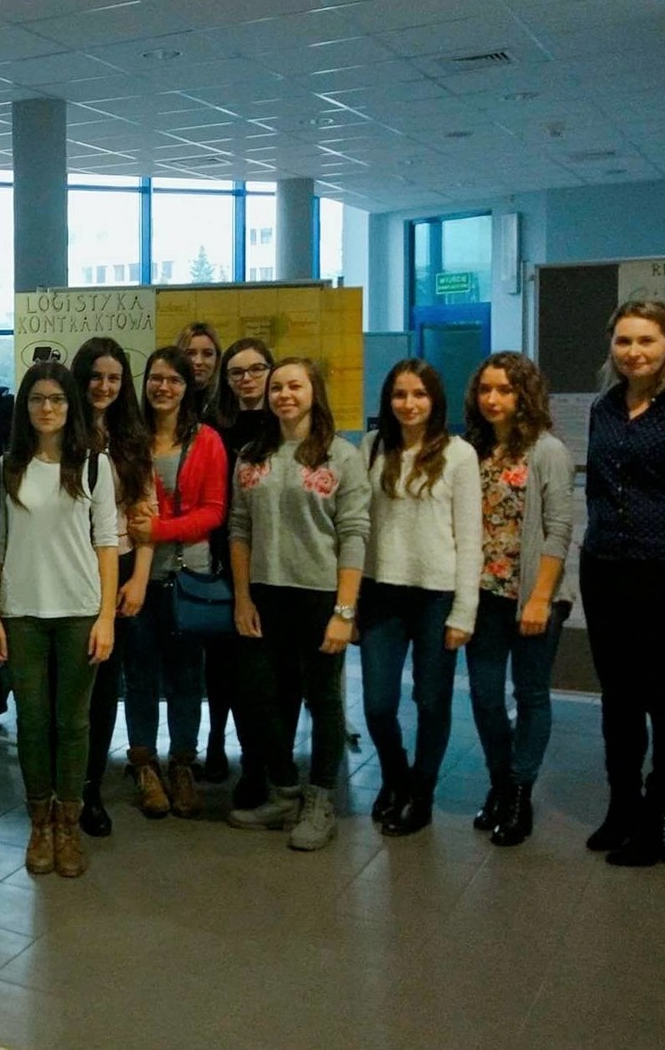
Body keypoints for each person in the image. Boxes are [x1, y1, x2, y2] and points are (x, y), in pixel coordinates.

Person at [583, 300, 665, 867]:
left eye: (646, 340)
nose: (633, 352)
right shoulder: (606, 407)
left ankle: (662, 818)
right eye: (624, 341)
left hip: (663, 577)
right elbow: (598, 490)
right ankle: (623, 807)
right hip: (605, 569)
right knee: (619, 699)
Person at [227, 358, 369, 852]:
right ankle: (284, 790)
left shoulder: (340, 455)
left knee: (323, 699)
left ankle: (320, 799)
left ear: (314, 392)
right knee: (263, 697)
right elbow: (239, 528)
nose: (284, 395)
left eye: (295, 386)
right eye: (277, 388)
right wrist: (243, 598)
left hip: (320, 595)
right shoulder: (252, 455)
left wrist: (345, 612)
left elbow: (354, 533)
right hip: (264, 594)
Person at [0, 362, 118, 878]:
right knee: (32, 722)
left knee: (73, 723)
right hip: (22, 613)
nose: (47, 408)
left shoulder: (94, 465)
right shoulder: (8, 466)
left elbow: (106, 543)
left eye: (57, 399)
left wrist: (106, 618)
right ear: (25, 407)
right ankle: (39, 822)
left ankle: (68, 823)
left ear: (71, 406)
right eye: (38, 399)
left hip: (79, 611)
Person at [359, 360, 482, 837]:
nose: (408, 404)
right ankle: (396, 777)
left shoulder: (459, 454)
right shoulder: (371, 447)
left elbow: (469, 538)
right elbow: (357, 526)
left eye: (419, 394)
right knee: (377, 704)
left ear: (435, 400)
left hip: (437, 597)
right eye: (399, 394)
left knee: (431, 702)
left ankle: (422, 794)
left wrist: (464, 612)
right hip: (380, 592)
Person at [462, 352, 576, 847]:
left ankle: (519, 794)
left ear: (524, 394)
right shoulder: (473, 450)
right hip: (483, 595)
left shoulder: (547, 451)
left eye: (505, 389)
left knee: (530, 695)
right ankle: (500, 781)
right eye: (486, 389)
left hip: (534, 594)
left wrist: (539, 598)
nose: (493, 399)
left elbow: (559, 529)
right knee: (484, 695)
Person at [124, 349, 228, 819]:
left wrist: (159, 530)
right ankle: (144, 765)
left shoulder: (207, 441)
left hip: (190, 576)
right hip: (137, 580)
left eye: (174, 380)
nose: (163, 387)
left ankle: (183, 764)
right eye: (156, 378)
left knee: (186, 676)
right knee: (140, 675)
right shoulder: (130, 440)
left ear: (188, 387)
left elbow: (214, 511)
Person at [69, 338, 153, 831]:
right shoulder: (61, 429)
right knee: (68, 686)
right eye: (96, 376)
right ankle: (59, 786)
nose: (104, 386)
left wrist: (139, 577)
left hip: (115, 568)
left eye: (114, 378)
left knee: (103, 687)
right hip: (65, 567)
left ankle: (90, 789)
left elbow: (145, 516)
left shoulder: (130, 439)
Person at [209, 337, 276, 803]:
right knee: (223, 665)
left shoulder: (285, 423)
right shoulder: (215, 426)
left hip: (274, 560)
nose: (246, 379)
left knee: (265, 672)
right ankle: (217, 741)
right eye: (237, 372)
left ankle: (268, 762)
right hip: (223, 554)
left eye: (256, 370)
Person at [177, 322, 223, 420]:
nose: (199, 361)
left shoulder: (227, 403)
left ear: (217, 359)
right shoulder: (167, 400)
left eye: (207, 354)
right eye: (190, 353)